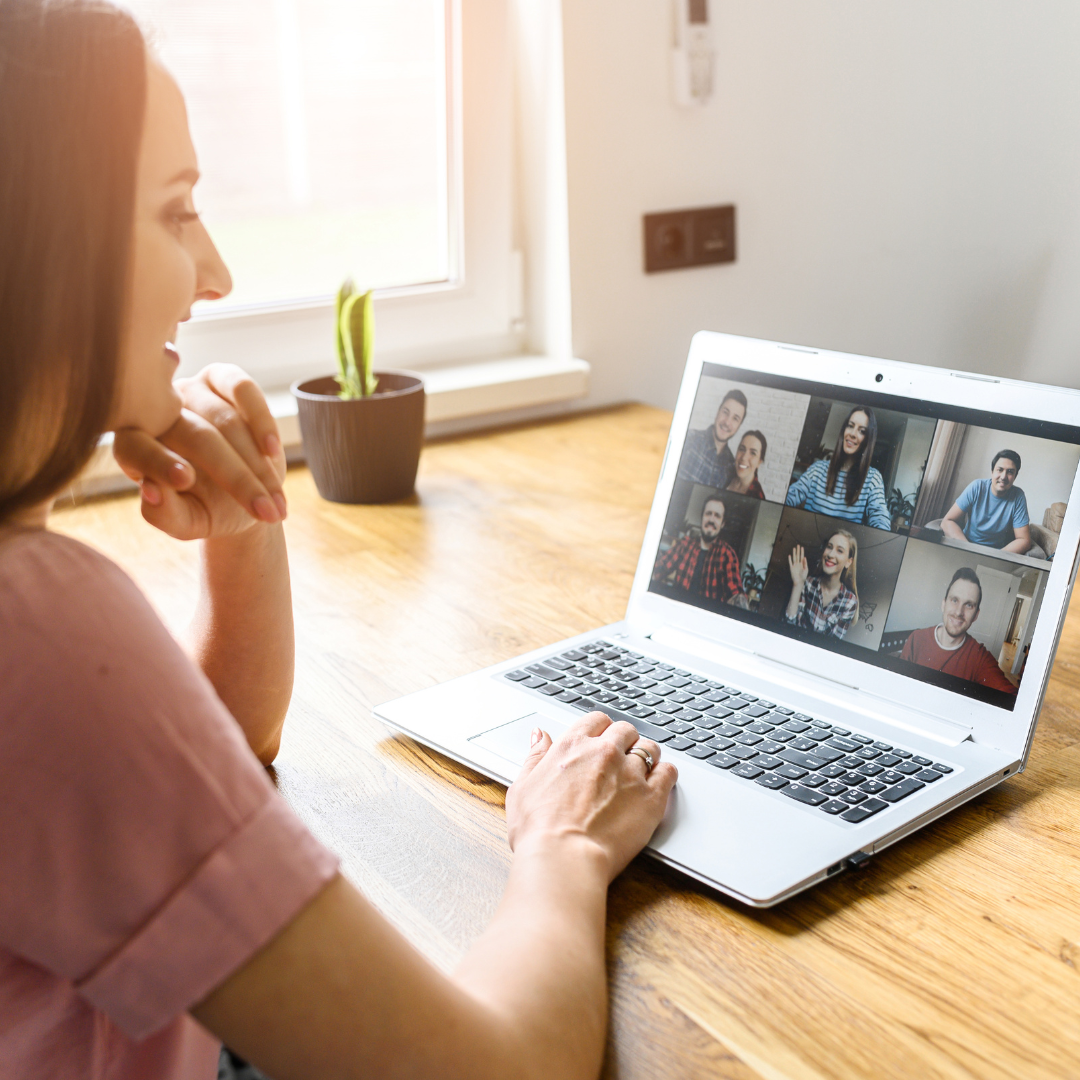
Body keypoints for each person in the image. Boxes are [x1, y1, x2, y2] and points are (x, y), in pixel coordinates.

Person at [0, 5, 677, 1080]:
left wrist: (239, 528)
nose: (214, 274)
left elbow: (206, 765)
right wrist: (563, 851)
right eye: (176, 212)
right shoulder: (38, 622)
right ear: (40, 242)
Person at [900, 568, 1018, 694]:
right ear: (943, 604)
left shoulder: (979, 658)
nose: (958, 612)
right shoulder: (916, 638)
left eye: (968, 605)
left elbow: (1012, 698)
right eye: (954, 600)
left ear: (976, 615)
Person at [785, 406, 891, 530]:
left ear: (868, 439)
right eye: (850, 426)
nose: (852, 434)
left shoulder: (873, 478)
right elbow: (790, 496)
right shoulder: (817, 469)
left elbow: (880, 518)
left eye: (861, 431)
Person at [651, 495, 748, 606]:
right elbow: (658, 569)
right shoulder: (685, 544)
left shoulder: (727, 554)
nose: (711, 519)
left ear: (723, 524)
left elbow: (736, 595)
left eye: (717, 516)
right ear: (702, 517)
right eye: (708, 513)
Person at [941, 450, 1031, 555]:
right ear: (992, 471)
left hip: (996, 553)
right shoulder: (977, 487)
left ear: (1015, 476)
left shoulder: (1018, 496)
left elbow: (1024, 540)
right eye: (999, 470)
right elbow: (947, 521)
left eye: (1010, 472)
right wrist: (967, 549)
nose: (1003, 476)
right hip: (966, 545)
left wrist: (995, 557)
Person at [784, 530, 859, 640]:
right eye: (829, 547)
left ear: (848, 561)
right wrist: (798, 585)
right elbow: (789, 626)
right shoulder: (808, 583)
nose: (830, 554)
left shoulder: (850, 601)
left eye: (839, 551)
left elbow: (832, 644)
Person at [677, 388, 747, 488]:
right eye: (725, 412)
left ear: (739, 425)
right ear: (718, 411)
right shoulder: (688, 439)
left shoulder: (732, 467)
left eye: (735, 419)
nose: (727, 422)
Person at [726, 430, 768, 499]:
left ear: (759, 462)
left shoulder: (757, 496)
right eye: (742, 449)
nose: (744, 457)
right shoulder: (726, 473)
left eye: (753, 453)